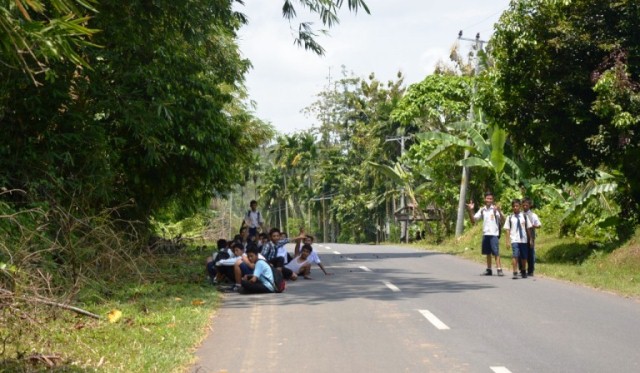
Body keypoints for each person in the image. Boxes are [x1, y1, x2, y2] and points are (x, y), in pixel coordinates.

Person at [467, 192, 505, 276]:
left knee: (496, 252)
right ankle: (489, 269)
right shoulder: (482, 210)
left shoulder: (495, 209)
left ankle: (499, 269)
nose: (489, 200)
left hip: (494, 234)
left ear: (493, 200)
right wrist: (471, 210)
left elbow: (503, 220)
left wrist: (499, 211)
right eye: (487, 198)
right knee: (487, 253)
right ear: (485, 199)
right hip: (486, 234)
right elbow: (473, 221)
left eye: (490, 199)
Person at [504, 199, 533, 279]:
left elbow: (528, 228)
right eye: (514, 206)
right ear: (512, 207)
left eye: (517, 206)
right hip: (514, 239)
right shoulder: (510, 217)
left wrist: (530, 239)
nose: (515, 208)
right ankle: (515, 271)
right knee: (515, 255)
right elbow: (507, 230)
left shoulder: (524, 216)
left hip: (523, 239)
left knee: (524, 257)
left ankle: (523, 270)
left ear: (520, 206)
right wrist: (507, 241)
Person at [522, 197, 542, 276]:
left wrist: (533, 226)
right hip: (521, 237)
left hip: (531, 237)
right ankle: (522, 268)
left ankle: (530, 270)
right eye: (523, 205)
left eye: (526, 205)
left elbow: (539, 225)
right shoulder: (520, 215)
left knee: (531, 254)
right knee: (522, 253)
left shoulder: (533, 215)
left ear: (530, 205)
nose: (525, 207)